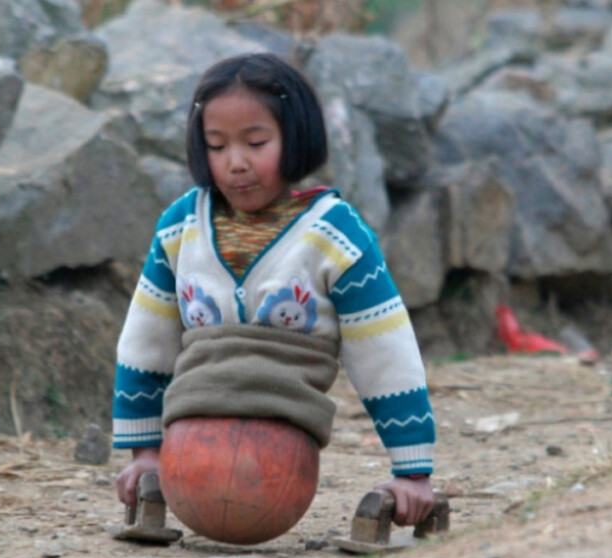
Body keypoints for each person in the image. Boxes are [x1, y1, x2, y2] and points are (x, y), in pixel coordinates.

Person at [112, 52, 436, 528]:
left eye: (256, 141)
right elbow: (146, 342)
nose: (235, 163)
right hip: (188, 445)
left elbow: (385, 351)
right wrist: (144, 454)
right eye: (216, 146)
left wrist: (413, 472)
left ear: (296, 135)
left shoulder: (335, 237)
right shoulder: (180, 228)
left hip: (282, 458)